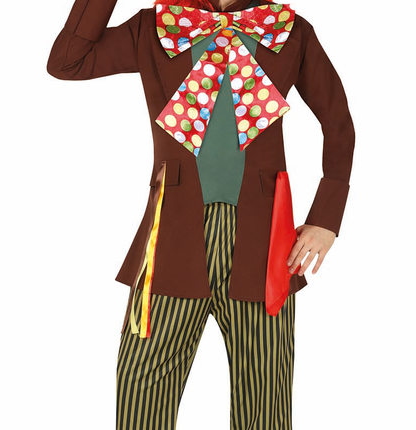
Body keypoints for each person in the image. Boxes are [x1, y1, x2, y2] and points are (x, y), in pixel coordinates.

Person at [46, 0, 355, 428]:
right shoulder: (155, 26)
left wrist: (326, 219)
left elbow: (338, 123)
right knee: (142, 386)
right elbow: (67, 62)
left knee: (265, 400)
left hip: (263, 242)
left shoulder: (291, 30)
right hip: (172, 235)